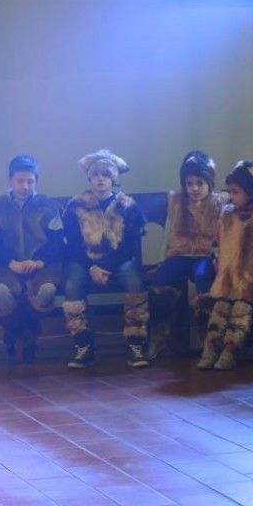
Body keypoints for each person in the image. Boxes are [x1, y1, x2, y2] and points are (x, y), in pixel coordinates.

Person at [62, 150, 148, 369]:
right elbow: (73, 246)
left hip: (118, 261)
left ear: (113, 178)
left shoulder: (127, 206)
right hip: (84, 261)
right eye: (96, 174)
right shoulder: (76, 206)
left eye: (106, 175)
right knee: (72, 284)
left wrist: (104, 266)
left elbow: (129, 247)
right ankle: (82, 344)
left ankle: (135, 340)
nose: (100, 179)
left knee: (134, 281)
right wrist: (91, 267)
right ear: (89, 178)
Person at [196, 161, 253, 371]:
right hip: (229, 277)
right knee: (220, 307)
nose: (230, 196)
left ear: (251, 192)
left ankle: (231, 349)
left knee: (240, 309)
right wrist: (218, 262)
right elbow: (217, 243)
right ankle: (212, 346)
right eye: (229, 192)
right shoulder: (226, 215)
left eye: (235, 192)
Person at [0, 154, 64, 364]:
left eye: (30, 181)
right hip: (6, 266)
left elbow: (56, 243)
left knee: (47, 290)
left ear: (36, 181)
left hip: (41, 266)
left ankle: (18, 335)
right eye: (20, 181)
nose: (25, 186)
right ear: (10, 180)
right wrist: (11, 263)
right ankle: (24, 337)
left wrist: (39, 262)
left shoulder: (48, 207)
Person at [147, 151, 225, 361]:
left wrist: (220, 258)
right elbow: (168, 233)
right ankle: (161, 334)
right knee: (162, 278)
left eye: (200, 183)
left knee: (203, 276)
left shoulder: (219, 204)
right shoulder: (176, 202)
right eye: (189, 183)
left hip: (205, 254)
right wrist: (161, 260)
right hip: (180, 253)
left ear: (209, 183)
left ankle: (208, 337)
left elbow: (224, 236)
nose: (194, 188)